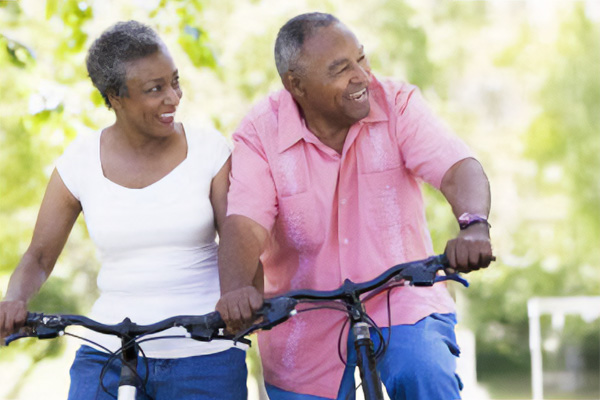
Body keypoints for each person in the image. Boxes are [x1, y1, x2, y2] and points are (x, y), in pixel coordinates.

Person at [216, 12, 494, 400]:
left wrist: (474, 224)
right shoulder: (261, 131)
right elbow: (245, 222)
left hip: (402, 299)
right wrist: (234, 290)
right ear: (296, 85)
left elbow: (455, 168)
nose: (362, 76)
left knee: (425, 371)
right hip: (304, 319)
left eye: (361, 59)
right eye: (340, 69)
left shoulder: (396, 103)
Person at [0, 21, 247, 399]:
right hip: (110, 349)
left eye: (174, 81)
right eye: (155, 89)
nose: (174, 97)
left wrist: (237, 294)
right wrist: (15, 299)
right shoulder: (79, 161)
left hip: (204, 350)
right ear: (115, 96)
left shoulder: (209, 150)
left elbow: (236, 233)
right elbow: (39, 255)